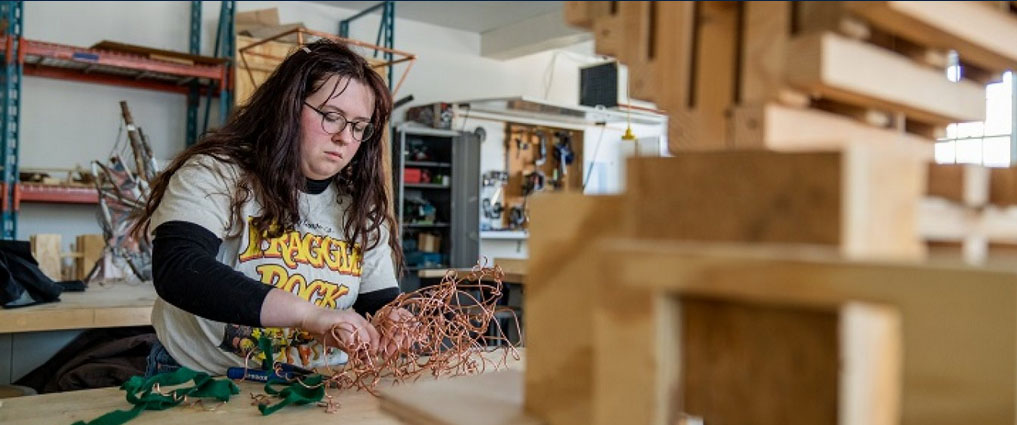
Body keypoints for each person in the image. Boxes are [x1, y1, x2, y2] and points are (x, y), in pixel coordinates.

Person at [132, 39, 410, 376]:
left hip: (317, 382)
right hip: (207, 377)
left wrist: (391, 317)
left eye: (358, 127)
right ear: (287, 107)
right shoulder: (217, 173)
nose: (345, 138)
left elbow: (376, 300)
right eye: (331, 117)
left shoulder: (359, 205)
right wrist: (309, 316)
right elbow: (178, 268)